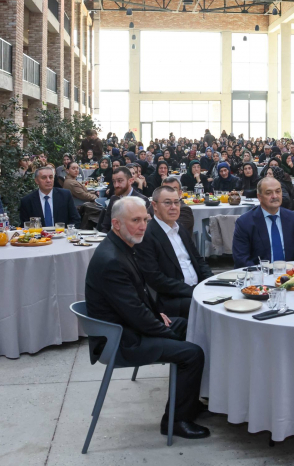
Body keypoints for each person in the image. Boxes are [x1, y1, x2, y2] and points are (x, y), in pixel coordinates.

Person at [84, 196, 209, 439]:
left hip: (127, 327)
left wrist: (157, 315)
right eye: (135, 221)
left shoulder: (123, 246)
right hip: (121, 341)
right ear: (116, 224)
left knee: (190, 326)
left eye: (145, 219)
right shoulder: (112, 260)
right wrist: (165, 330)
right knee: (192, 353)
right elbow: (135, 315)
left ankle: (188, 401)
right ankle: (176, 421)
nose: (142, 226)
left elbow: (137, 298)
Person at [135, 186, 212, 319]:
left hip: (198, 289)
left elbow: (199, 260)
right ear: (155, 206)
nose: (174, 207)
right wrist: (193, 291)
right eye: (167, 203)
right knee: (210, 309)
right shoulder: (147, 235)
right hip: (172, 299)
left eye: (177, 202)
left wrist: (210, 282)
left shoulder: (180, 229)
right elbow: (155, 278)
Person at [232, 176, 294, 267]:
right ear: (259, 197)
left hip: (290, 273)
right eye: (269, 193)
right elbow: (241, 259)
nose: (275, 196)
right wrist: (263, 273)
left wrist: (292, 270)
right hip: (258, 273)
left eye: (278, 191)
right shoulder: (245, 222)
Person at [97, 167, 153, 233]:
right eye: (114, 181)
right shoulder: (114, 199)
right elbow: (106, 226)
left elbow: (144, 229)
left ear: (131, 181)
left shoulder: (141, 200)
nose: (116, 185)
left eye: (120, 181)